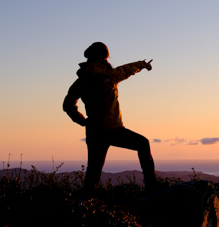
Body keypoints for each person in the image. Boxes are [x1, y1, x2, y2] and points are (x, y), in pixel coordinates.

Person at [63, 41, 157, 194]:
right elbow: (126, 70)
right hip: (113, 129)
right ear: (103, 58)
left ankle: (87, 205)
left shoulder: (82, 80)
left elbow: (68, 104)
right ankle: (152, 188)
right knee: (143, 144)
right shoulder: (109, 75)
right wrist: (143, 64)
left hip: (94, 131)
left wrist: (83, 121)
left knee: (93, 170)